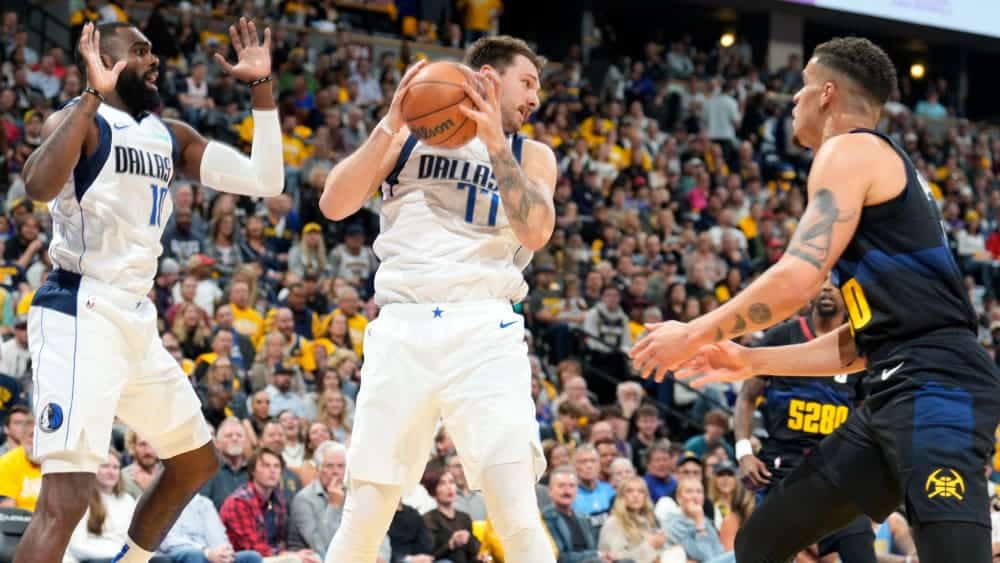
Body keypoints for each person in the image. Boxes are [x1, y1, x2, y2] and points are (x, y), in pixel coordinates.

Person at [635, 37, 1000, 562]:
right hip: (892, 386)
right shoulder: (878, 167)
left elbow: (799, 278)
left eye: (801, 88)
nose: (793, 100)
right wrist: (752, 360)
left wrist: (692, 333)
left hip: (937, 385)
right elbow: (860, 346)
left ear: (827, 93)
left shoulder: (849, 150)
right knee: (760, 541)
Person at [17, 16, 283, 563]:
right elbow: (38, 186)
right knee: (66, 500)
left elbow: (267, 180)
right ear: (105, 60)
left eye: (152, 51)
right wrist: (92, 95)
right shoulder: (78, 120)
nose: (153, 59)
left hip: (135, 317)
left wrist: (261, 87)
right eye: (139, 51)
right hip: (80, 308)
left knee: (195, 460)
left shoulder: (170, 136)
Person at [320, 35, 558, 562]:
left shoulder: (531, 154)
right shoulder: (407, 137)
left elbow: (537, 231)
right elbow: (334, 204)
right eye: (527, 83)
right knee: (367, 509)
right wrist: (391, 121)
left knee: (515, 508)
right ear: (489, 78)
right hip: (403, 324)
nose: (535, 98)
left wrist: (494, 142)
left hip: (485, 327)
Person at [732, 279, 875, 562]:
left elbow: (864, 414)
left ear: (850, 296)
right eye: (822, 282)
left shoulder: (859, 346)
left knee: (861, 548)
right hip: (783, 468)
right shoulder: (782, 336)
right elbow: (747, 397)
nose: (826, 288)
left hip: (836, 471)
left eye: (835, 283)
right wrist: (744, 452)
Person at [287, 441, 391, 561]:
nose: (336, 471)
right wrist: (334, 506)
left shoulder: (355, 494)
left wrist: (380, 557)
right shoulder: (304, 499)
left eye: (341, 466)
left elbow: (378, 532)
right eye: (329, 466)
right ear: (318, 469)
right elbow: (323, 547)